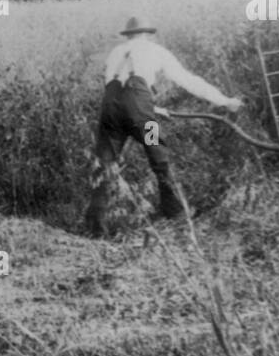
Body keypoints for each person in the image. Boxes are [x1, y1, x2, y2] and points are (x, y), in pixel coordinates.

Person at [84, 17, 243, 237]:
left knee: (105, 164)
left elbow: (117, 92)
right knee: (158, 155)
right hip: (141, 115)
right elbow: (188, 81)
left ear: (128, 35)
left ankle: (95, 228)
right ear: (147, 34)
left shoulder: (115, 53)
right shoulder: (155, 51)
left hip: (111, 115)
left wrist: (153, 110)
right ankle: (176, 213)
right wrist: (224, 101)